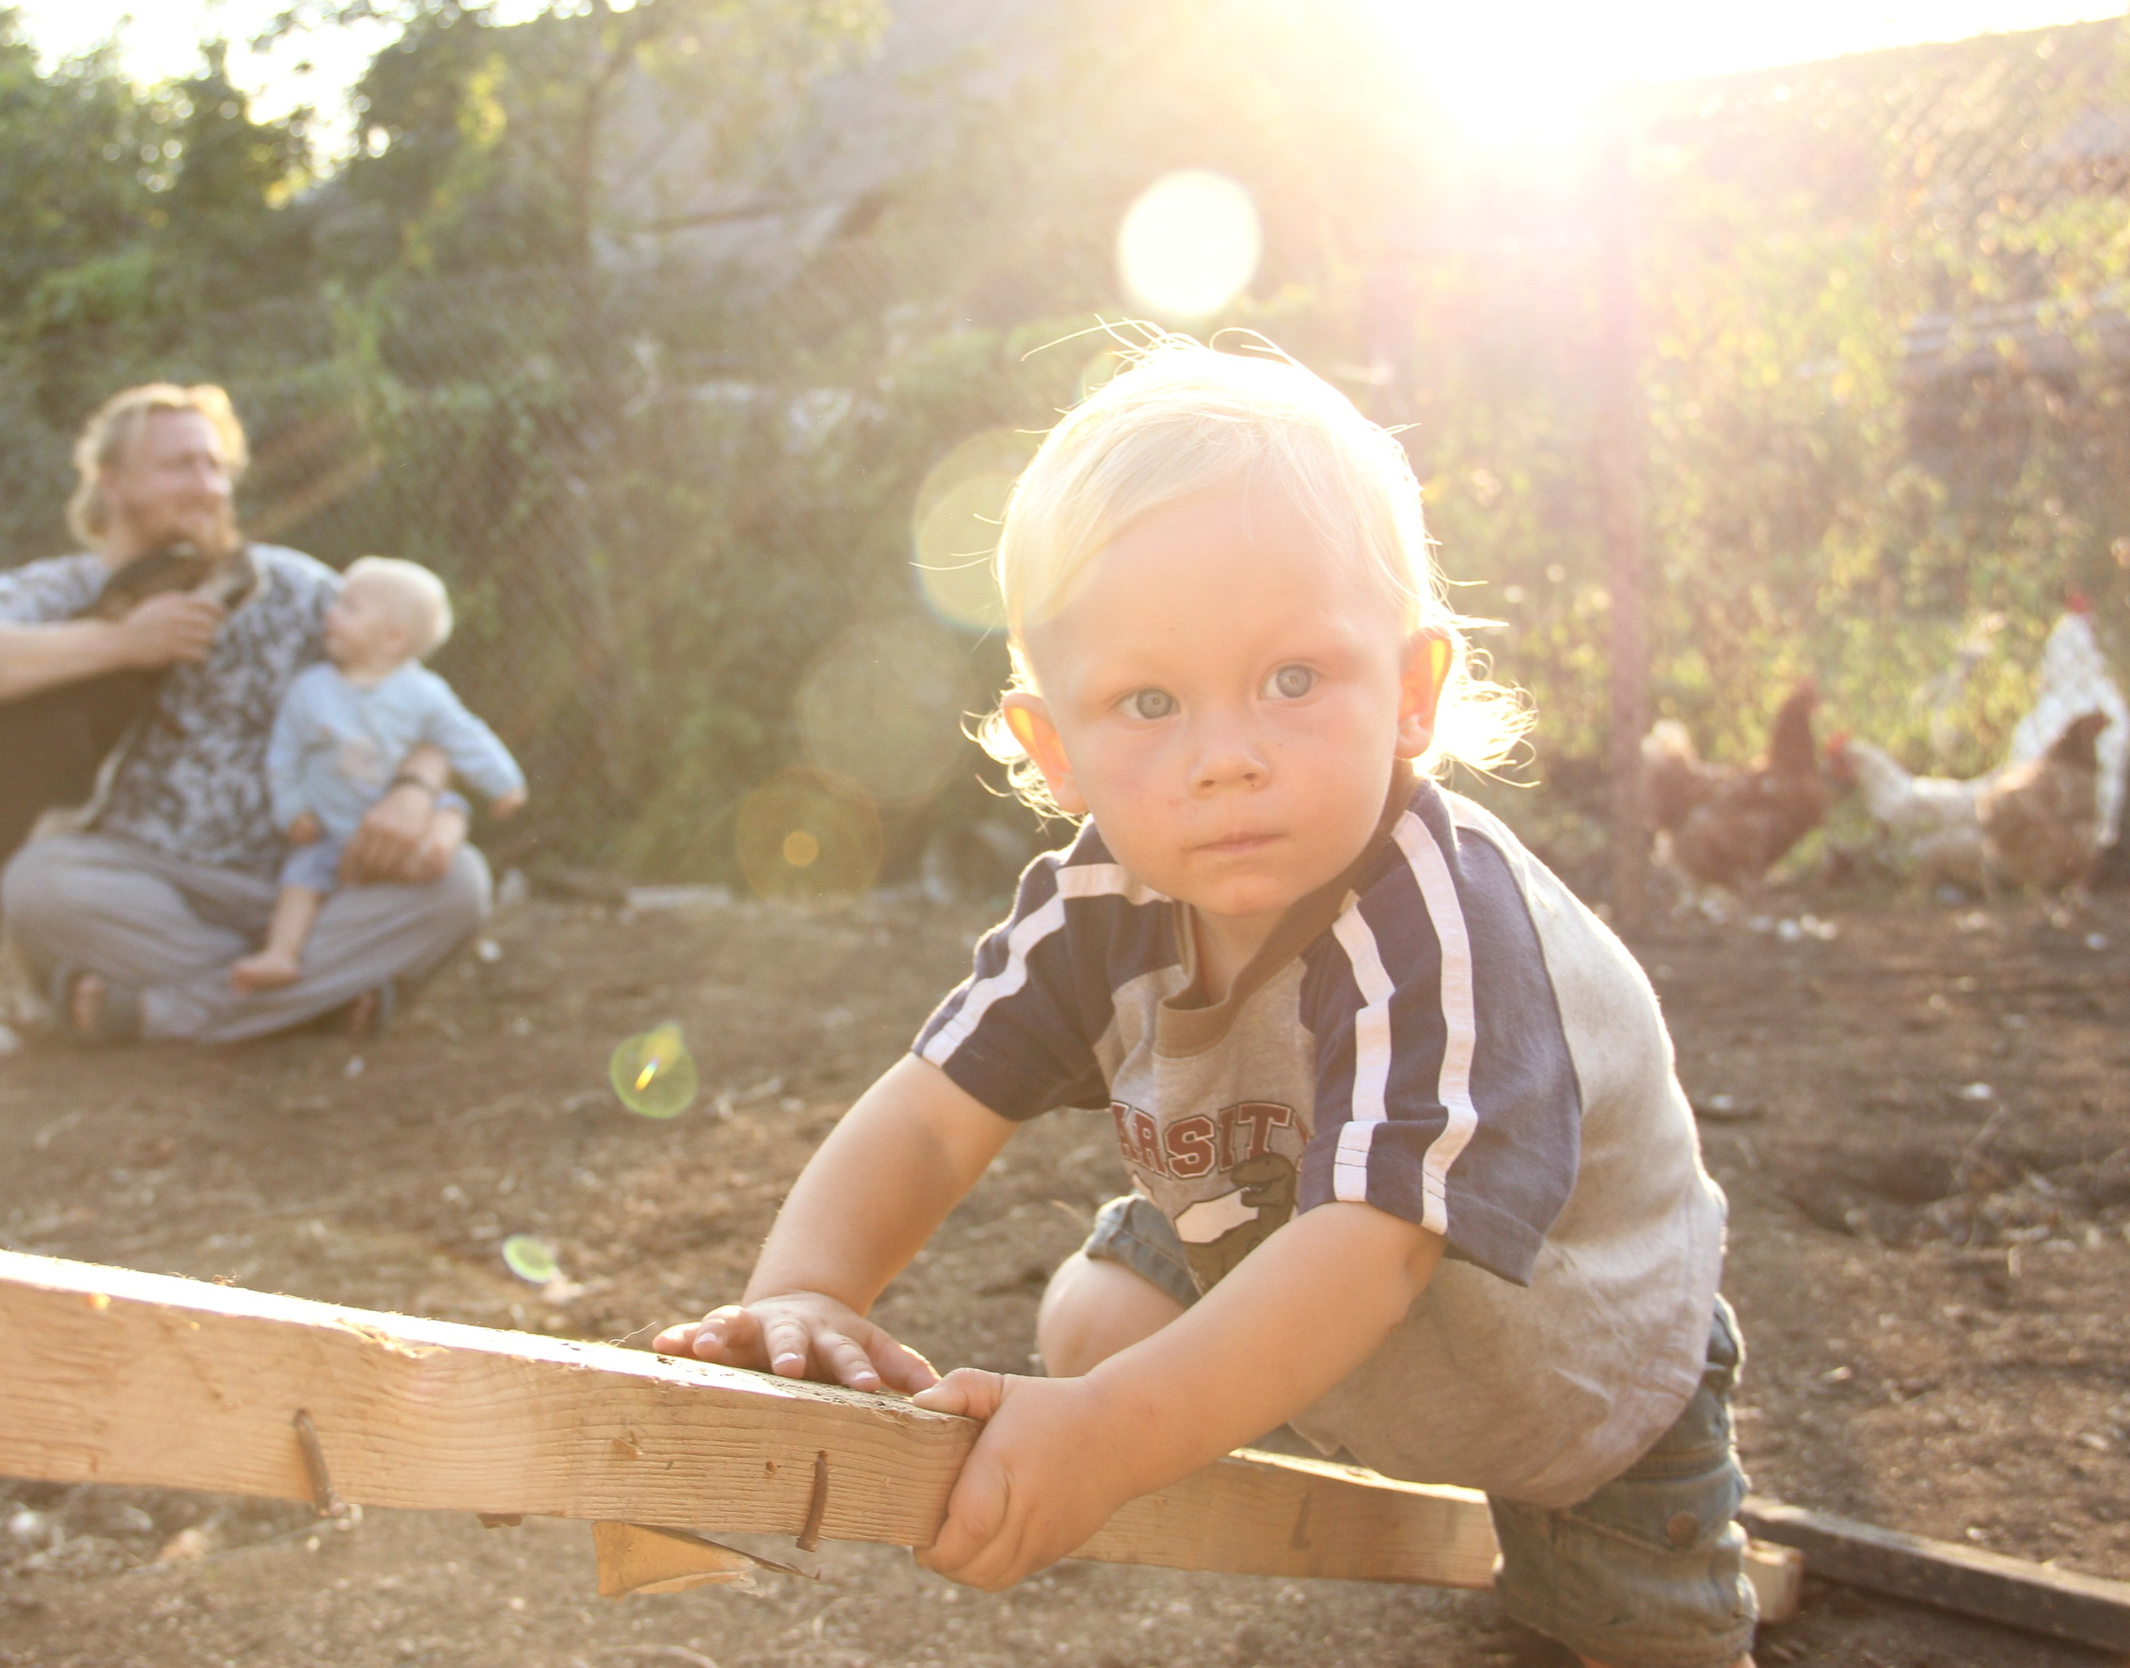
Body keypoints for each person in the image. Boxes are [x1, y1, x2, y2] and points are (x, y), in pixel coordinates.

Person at [656, 341, 1753, 1668]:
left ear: (1411, 692)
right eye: (1148, 701)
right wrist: (809, 1289)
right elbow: (935, 1114)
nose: (1225, 757)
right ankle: (1272, 1373)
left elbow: (1376, 1249)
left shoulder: (1441, 922)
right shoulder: (1100, 896)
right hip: (1291, 1208)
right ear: (1055, 748)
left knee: (1632, 1638)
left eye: (1292, 678)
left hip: (1560, 1355)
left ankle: (1321, 1400)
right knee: (1096, 1324)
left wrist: (1111, 1435)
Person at [0, 382, 491, 1043]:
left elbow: (428, 703)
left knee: (458, 885)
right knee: (36, 886)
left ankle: (162, 1012)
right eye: (180, 466)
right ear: (112, 482)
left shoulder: (291, 588)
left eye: (216, 466)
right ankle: (317, 999)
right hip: (144, 886)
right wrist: (119, 642)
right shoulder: (65, 590)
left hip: (305, 884)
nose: (207, 486)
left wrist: (415, 789)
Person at [232, 556, 525, 993]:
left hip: (403, 820)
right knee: (301, 879)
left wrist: (504, 782)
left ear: (393, 637)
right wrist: (292, 810)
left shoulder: (423, 693)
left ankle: (430, 856)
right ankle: (281, 954)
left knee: (450, 811)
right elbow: (283, 756)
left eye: (349, 607)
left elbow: (465, 736)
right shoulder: (310, 691)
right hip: (331, 828)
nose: (330, 614)